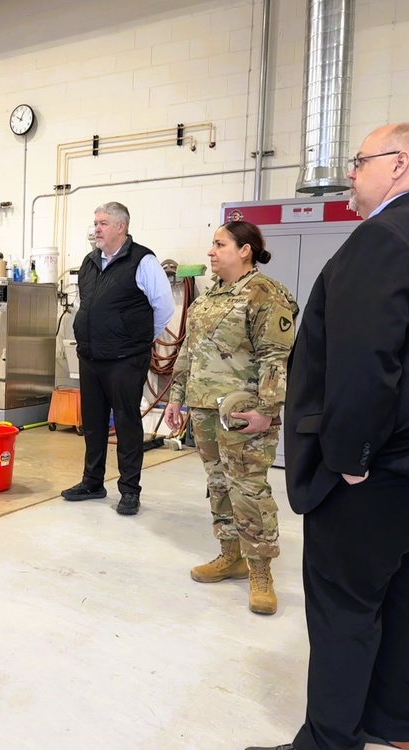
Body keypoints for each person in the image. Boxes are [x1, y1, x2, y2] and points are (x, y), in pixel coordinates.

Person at [247, 123, 409, 750]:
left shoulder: (384, 236)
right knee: (405, 587)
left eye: (359, 162)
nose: (350, 176)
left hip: (382, 465)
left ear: (401, 163)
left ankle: (330, 741)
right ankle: (397, 726)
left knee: (343, 600)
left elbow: (366, 362)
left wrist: (350, 457)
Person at [165, 222, 296, 615]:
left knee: (249, 490)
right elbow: (188, 350)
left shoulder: (265, 295)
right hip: (205, 408)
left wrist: (267, 411)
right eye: (212, 244)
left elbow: (277, 357)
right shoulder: (208, 299)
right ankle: (230, 555)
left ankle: (260, 572)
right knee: (219, 485)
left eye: (219, 244)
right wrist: (177, 399)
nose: (210, 251)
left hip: (244, 412)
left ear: (245, 250)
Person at [61, 201, 174, 515]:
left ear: (121, 227)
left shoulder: (143, 261)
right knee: (94, 424)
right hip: (91, 356)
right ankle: (92, 482)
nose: (97, 229)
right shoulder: (89, 261)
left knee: (126, 423)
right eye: (95, 223)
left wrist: (137, 339)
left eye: (103, 223)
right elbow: (88, 304)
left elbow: (164, 308)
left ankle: (129, 491)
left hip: (126, 358)